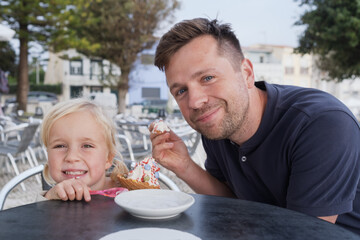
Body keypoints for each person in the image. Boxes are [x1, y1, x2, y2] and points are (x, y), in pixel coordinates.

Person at [149, 18, 360, 235]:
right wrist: (185, 166)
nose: (195, 102)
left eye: (208, 78)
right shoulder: (218, 124)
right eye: (181, 91)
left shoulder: (321, 124)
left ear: (247, 73)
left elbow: (303, 233)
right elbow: (234, 205)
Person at [40, 98, 128, 202]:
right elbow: (33, 215)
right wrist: (49, 198)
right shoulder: (53, 197)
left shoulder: (129, 193)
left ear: (108, 158)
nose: (71, 157)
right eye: (60, 146)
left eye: (87, 146)